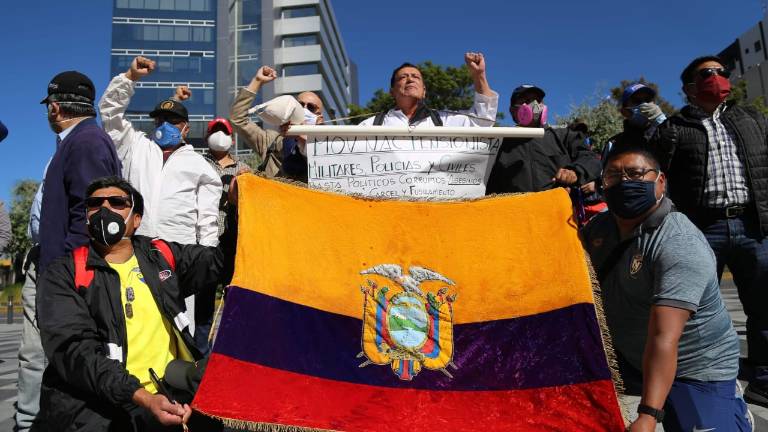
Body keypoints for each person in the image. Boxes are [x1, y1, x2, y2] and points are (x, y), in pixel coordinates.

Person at [33, 176, 229, 431]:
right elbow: (74, 351)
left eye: (116, 202)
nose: (104, 209)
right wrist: (142, 397)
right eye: (95, 204)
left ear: (136, 219)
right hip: (104, 407)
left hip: (171, 394)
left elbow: (222, 262)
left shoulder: (161, 256)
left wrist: (236, 208)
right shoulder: (63, 273)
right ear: (86, 217)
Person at [581, 144, 751, 432]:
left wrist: (648, 415)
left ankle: (729, 409)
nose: (625, 182)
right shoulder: (598, 229)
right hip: (629, 355)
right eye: (613, 175)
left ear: (660, 182)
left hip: (695, 367)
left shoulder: (679, 242)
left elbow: (664, 337)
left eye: (636, 173)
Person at [652, 55, 768, 407]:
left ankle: (763, 379)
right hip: (702, 229)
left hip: (754, 225)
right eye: (707, 74)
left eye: (721, 72)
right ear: (689, 88)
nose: (717, 78)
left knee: (764, 306)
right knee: (691, 308)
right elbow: (657, 175)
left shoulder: (751, 119)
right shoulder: (673, 127)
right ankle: (695, 380)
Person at [99, 56, 223, 349]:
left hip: (179, 260)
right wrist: (129, 77)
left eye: (173, 121)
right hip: (134, 255)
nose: (165, 125)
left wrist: (203, 266)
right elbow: (110, 112)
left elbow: (207, 223)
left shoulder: (202, 166)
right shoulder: (136, 146)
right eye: (160, 120)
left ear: (185, 128)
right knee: (135, 328)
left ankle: (182, 390)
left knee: (181, 334)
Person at [38, 71, 123, 275]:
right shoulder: (83, 140)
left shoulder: (85, 142)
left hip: (72, 277)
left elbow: (91, 213)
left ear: (54, 108)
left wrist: (69, 273)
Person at [486, 85, 601, 194]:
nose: (534, 105)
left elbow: (590, 159)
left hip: (558, 210)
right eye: (526, 101)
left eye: (538, 100)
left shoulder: (564, 135)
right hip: (516, 211)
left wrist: (575, 171)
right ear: (512, 110)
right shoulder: (502, 143)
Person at [230, 65, 324, 182]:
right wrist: (257, 81)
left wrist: (305, 140)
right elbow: (238, 119)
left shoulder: (329, 146)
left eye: (311, 107)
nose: (304, 109)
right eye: (300, 105)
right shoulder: (271, 141)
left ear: (319, 119)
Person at [358, 52, 498, 127]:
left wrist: (479, 75)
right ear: (392, 91)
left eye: (416, 77)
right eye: (403, 77)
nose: (410, 79)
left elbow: (483, 120)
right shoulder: (371, 125)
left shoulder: (444, 122)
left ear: (424, 91)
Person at [14, 171, 46, 431]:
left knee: (40, 353)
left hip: (59, 261)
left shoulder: (85, 143)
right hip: (39, 256)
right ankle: (27, 423)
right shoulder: (54, 158)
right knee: (32, 352)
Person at [603, 82, 667, 160]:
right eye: (637, 100)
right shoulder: (614, 144)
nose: (644, 104)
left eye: (648, 100)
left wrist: (664, 123)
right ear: (625, 111)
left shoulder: (663, 137)